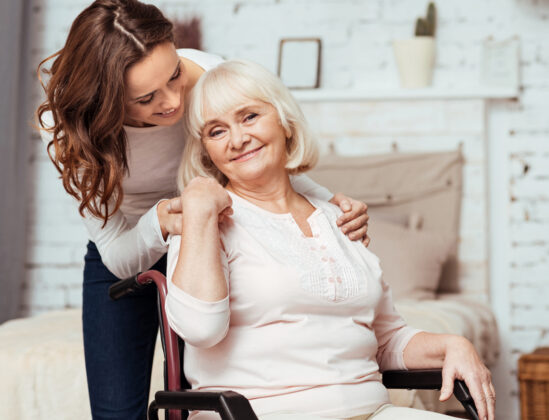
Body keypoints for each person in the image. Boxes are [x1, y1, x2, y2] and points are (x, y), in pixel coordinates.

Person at [36, 1, 370, 419]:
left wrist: (328, 204)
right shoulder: (73, 125)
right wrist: (158, 221)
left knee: (202, 395)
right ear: (105, 100)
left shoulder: (212, 77)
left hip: (213, 232)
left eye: (175, 74)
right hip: (127, 244)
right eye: (145, 98)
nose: (174, 102)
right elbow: (116, 252)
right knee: (116, 412)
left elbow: (259, 157)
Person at [165, 60, 496, 420]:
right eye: (216, 131)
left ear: (285, 121)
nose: (238, 139)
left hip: (371, 412)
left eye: (249, 117)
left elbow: (385, 338)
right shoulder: (204, 222)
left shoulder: (340, 219)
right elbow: (199, 329)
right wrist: (198, 207)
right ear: (205, 151)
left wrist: (453, 345)